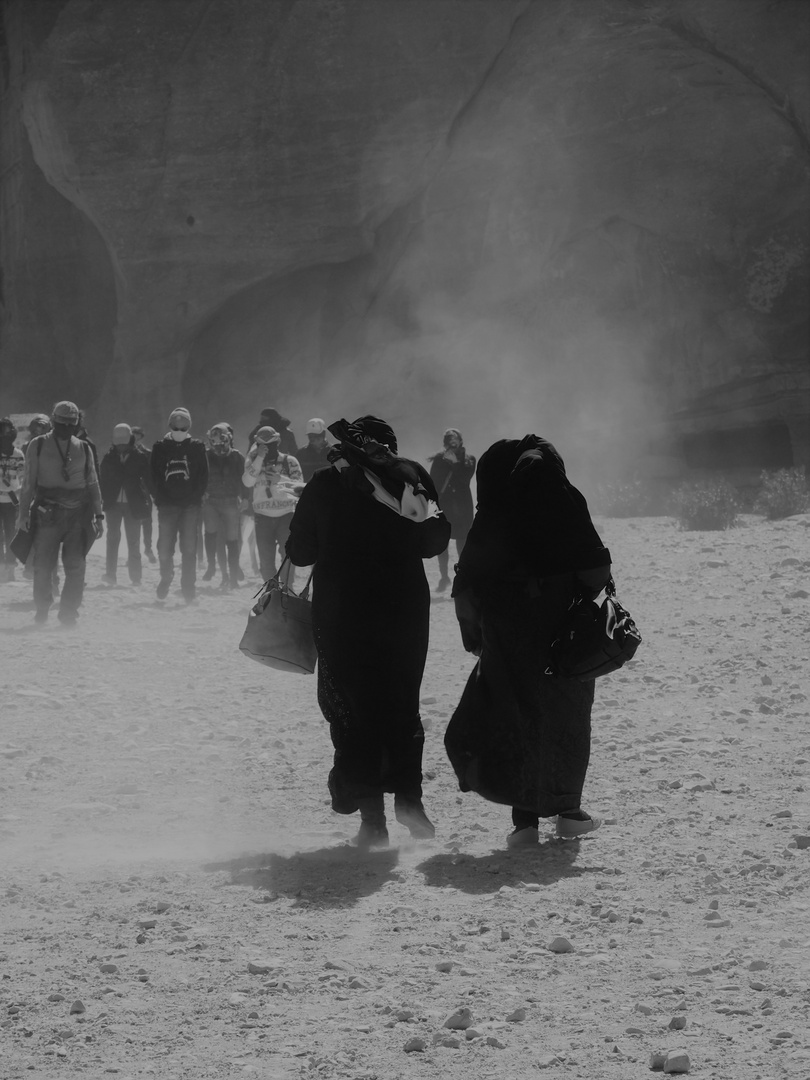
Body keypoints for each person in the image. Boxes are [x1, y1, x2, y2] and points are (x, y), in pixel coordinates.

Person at [286, 415, 451, 849]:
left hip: (343, 612)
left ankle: (372, 820)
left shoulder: (324, 483)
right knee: (401, 701)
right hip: (404, 609)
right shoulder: (412, 476)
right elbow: (434, 542)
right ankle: (411, 802)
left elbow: (300, 553)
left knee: (355, 709)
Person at [444, 435, 611, 847]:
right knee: (566, 715)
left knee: (516, 713)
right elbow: (595, 568)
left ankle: (525, 823)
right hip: (563, 629)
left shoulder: (496, 510)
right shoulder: (563, 499)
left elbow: (467, 584)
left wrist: (476, 637)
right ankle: (569, 811)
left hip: (507, 630)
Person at [16, 400, 104, 625]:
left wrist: (99, 514)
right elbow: (28, 483)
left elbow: (93, 482)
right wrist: (23, 514)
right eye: (62, 422)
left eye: (71, 423)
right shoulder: (37, 445)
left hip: (78, 515)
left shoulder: (84, 447)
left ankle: (68, 613)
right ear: (54, 421)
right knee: (43, 566)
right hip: (47, 514)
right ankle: (43, 609)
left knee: (76, 566)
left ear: (77, 424)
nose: (66, 426)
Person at [150, 407, 208, 601]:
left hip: (190, 506)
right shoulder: (160, 447)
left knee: (189, 549)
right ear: (170, 425)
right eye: (176, 426)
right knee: (164, 548)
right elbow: (152, 476)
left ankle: (188, 587)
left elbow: (203, 475)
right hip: (166, 505)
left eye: (184, 427)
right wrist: (158, 498)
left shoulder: (197, 447)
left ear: (189, 427)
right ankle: (166, 577)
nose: (180, 430)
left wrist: (196, 498)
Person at [242, 426, 303, 580]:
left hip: (286, 516)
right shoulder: (252, 460)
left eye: (272, 444)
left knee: (288, 557)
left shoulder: (290, 461)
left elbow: (300, 487)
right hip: (262, 517)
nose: (269, 448)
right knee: (266, 561)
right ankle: (271, 596)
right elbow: (247, 482)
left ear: (278, 442)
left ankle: (287, 592)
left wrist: (281, 480)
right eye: (263, 445)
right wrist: (260, 458)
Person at [99, 423, 152, 586]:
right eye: (118, 444)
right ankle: (110, 575)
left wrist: (152, 498)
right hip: (113, 504)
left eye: (124, 443)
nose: (121, 447)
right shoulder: (109, 457)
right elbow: (102, 481)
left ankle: (136, 577)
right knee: (112, 539)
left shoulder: (140, 457)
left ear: (129, 440)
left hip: (133, 504)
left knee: (133, 541)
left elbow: (148, 479)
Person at [428, 428, 476, 592]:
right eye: (450, 440)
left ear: (461, 441)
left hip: (462, 508)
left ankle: (462, 577)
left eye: (455, 439)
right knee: (442, 543)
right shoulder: (439, 460)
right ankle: (444, 577)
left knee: (462, 544)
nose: (453, 442)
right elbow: (433, 482)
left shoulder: (469, 460)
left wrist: (455, 463)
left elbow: (464, 479)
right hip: (445, 506)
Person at [202, 422, 245, 588]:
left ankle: (233, 577)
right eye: (215, 443)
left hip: (230, 501)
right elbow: (200, 476)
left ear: (229, 440)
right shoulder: (205, 456)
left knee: (232, 540)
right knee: (211, 534)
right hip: (211, 500)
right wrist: (201, 492)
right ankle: (213, 567)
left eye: (222, 442)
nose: (219, 447)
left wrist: (246, 497)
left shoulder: (237, 457)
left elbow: (245, 479)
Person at [0, 417, 25, 582]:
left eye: (7, 431)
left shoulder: (18, 454)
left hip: (12, 501)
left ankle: (10, 567)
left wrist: (19, 495)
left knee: (11, 535)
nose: (5, 435)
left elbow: (23, 479)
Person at [131, 426, 156, 562]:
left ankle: (148, 548)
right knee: (132, 522)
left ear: (141, 437)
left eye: (138, 435)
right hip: (131, 491)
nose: (135, 438)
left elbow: (151, 474)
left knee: (147, 522)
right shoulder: (124, 451)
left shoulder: (147, 453)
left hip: (145, 491)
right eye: (133, 435)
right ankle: (134, 552)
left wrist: (153, 492)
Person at [296, 418, 332, 482]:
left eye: (316, 435)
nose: (313, 438)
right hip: (309, 489)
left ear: (323, 434)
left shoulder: (334, 451)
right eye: (310, 436)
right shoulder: (301, 454)